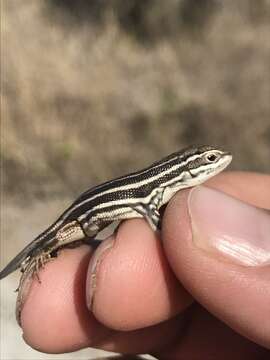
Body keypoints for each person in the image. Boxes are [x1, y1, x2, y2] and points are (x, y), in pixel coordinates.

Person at [18, 172, 270, 359]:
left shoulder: (160, 189)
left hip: (91, 215)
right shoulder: (155, 189)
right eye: (211, 160)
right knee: (54, 239)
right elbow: (151, 219)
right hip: (84, 216)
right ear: (188, 169)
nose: (221, 162)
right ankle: (34, 258)